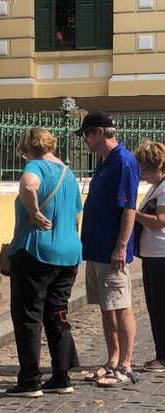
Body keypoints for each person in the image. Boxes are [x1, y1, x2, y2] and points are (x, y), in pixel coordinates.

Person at [5, 128, 82, 398]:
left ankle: (30, 379)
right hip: (69, 253)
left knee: (28, 314)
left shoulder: (35, 166)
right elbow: (75, 217)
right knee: (58, 313)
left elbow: (28, 185)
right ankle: (62, 376)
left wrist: (34, 212)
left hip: (37, 250)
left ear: (28, 147)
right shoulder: (69, 174)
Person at [76, 111, 140, 388]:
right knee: (106, 306)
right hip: (97, 248)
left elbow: (129, 208)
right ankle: (112, 360)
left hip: (112, 250)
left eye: (87, 134)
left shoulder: (123, 162)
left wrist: (121, 247)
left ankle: (125, 365)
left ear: (100, 132)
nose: (85, 140)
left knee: (121, 305)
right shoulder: (104, 162)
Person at [132, 140, 165, 373]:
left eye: (144, 169)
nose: (142, 174)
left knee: (161, 306)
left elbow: (161, 221)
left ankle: (163, 357)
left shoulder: (164, 189)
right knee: (154, 305)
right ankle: (160, 353)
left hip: (161, 253)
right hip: (151, 253)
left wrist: (133, 214)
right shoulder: (156, 187)